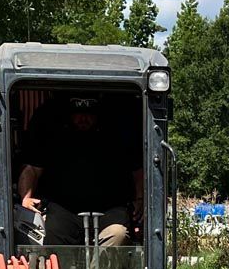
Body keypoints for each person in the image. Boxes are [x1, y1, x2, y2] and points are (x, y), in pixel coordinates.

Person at [17, 94, 143, 247]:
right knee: (53, 234)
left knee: (119, 234)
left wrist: (140, 199)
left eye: (88, 114)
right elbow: (32, 168)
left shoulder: (117, 138)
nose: (83, 119)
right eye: (78, 114)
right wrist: (26, 197)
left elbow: (137, 171)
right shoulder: (52, 135)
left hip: (111, 209)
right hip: (62, 209)